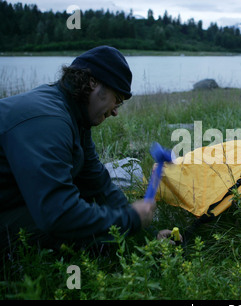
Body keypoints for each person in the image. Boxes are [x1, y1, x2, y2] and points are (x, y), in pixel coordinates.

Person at [0, 46, 170, 251]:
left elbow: (98, 186)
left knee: (90, 213)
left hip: (15, 201)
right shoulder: (49, 121)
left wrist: (146, 234)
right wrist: (130, 219)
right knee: (78, 235)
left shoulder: (77, 118)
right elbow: (59, 215)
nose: (116, 111)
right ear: (92, 83)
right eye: (117, 99)